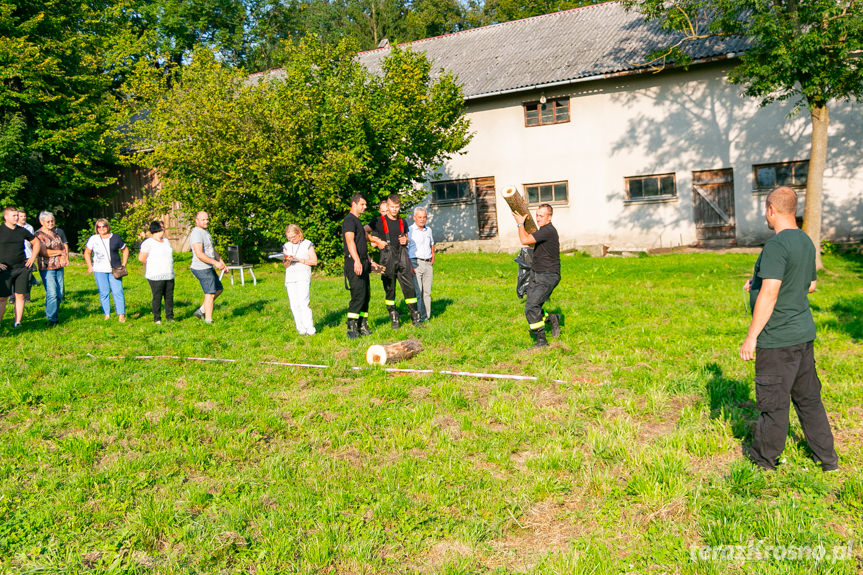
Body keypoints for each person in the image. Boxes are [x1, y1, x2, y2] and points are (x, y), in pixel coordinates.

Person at [740, 186, 838, 471]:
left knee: (773, 405)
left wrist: (751, 337)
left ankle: (764, 463)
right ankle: (828, 460)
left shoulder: (776, 245)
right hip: (802, 336)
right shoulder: (805, 242)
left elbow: (771, 293)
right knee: (809, 401)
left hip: (778, 341)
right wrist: (756, 281)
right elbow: (810, 285)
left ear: (772, 209)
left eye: (765, 211)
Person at [369, 194, 423, 329]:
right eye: (392, 207)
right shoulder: (379, 221)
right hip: (387, 257)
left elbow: (406, 237)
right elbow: (364, 231)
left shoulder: (402, 221)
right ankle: (393, 316)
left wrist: (406, 240)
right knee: (389, 288)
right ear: (387, 206)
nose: (394, 210)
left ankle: (415, 318)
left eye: (397, 207)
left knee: (409, 287)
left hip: (402, 255)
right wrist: (376, 241)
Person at [514, 204, 561, 348]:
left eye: (542, 216)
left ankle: (541, 342)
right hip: (537, 273)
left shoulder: (548, 231)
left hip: (547, 275)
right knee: (535, 306)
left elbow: (525, 240)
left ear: (549, 217)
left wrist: (520, 223)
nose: (538, 218)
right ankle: (552, 318)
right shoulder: (543, 231)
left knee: (531, 307)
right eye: (537, 215)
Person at [0, 206, 40, 328]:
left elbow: (36, 242)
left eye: (17, 215)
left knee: (20, 295)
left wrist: (32, 258)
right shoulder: (1, 230)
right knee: (2, 298)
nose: (17, 217)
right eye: (14, 215)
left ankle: (17, 322)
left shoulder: (21, 230)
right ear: (6, 217)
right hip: (4, 270)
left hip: (21, 268)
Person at [342, 194, 375, 339]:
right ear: (354, 204)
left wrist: (370, 261)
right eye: (362, 204)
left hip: (363, 262)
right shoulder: (349, 220)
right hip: (354, 263)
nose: (365, 207)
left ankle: (362, 324)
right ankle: (352, 327)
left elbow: (361, 245)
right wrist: (356, 260)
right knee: (358, 295)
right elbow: (350, 241)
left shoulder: (358, 222)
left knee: (366, 295)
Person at [84, 218, 129, 322]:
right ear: (96, 228)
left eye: (103, 226)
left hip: (115, 269)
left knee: (118, 291)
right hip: (99, 269)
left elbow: (125, 250)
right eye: (99, 227)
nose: (101, 228)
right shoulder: (93, 239)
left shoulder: (116, 237)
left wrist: (123, 264)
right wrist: (90, 266)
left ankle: (121, 315)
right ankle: (107, 314)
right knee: (104, 292)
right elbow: (87, 252)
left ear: (107, 226)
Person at [189, 211, 227, 323]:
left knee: (219, 289)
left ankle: (201, 310)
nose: (206, 221)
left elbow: (212, 249)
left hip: (208, 266)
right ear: (196, 221)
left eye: (207, 219)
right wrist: (215, 263)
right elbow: (199, 254)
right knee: (210, 293)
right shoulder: (196, 233)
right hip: (201, 267)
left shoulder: (206, 232)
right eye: (203, 220)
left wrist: (221, 262)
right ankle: (208, 320)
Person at [282, 224, 318, 335]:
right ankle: (301, 329)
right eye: (289, 238)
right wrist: (288, 260)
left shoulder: (307, 244)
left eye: (293, 237)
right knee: (294, 304)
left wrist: (299, 260)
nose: (291, 240)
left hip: (303, 276)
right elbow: (285, 265)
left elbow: (314, 261)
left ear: (299, 234)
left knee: (303, 303)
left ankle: (310, 329)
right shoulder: (286, 246)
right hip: (290, 277)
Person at [35, 211, 69, 325]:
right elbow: (44, 252)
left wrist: (64, 256)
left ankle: (53, 313)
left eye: (52, 221)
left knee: (59, 294)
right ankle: (51, 319)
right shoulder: (38, 235)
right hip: (46, 267)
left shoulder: (56, 232)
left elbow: (63, 246)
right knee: (52, 293)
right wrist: (60, 252)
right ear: (41, 222)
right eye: (48, 221)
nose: (51, 223)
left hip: (58, 266)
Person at [138, 221, 175, 324]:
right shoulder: (148, 243)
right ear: (156, 228)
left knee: (169, 297)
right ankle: (157, 319)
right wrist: (152, 264)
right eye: (162, 227)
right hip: (155, 275)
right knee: (157, 297)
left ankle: (170, 317)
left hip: (168, 273)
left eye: (163, 227)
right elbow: (141, 258)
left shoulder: (166, 241)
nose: (164, 229)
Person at [408, 207, 435, 321]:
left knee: (427, 292)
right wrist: (410, 265)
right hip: (415, 262)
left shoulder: (428, 230)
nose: (422, 219)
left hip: (427, 263)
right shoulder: (410, 230)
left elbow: (432, 243)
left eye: (424, 217)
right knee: (418, 292)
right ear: (414, 218)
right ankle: (418, 317)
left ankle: (426, 317)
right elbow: (406, 248)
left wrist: (433, 255)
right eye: (419, 217)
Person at [17, 208, 40, 299]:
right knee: (15, 276)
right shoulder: (14, 227)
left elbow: (33, 241)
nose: (23, 218)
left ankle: (27, 297)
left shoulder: (29, 227)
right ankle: (12, 297)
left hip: (28, 254)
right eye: (21, 216)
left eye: (24, 216)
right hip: (18, 255)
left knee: (28, 277)